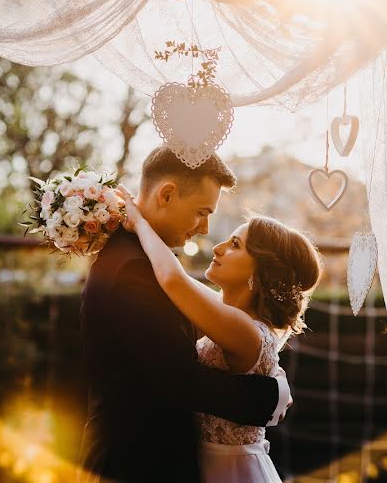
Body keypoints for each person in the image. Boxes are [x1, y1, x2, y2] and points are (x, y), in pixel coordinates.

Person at [79, 146, 292, 482]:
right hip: (136, 465)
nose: (206, 229)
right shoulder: (132, 270)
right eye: (201, 212)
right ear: (167, 195)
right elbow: (181, 381)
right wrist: (269, 396)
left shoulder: (139, 258)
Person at [117, 183, 322, 483]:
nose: (218, 247)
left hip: (230, 472)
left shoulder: (246, 331)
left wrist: (139, 222)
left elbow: (173, 279)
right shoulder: (232, 317)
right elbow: (180, 281)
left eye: (235, 245)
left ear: (258, 272)